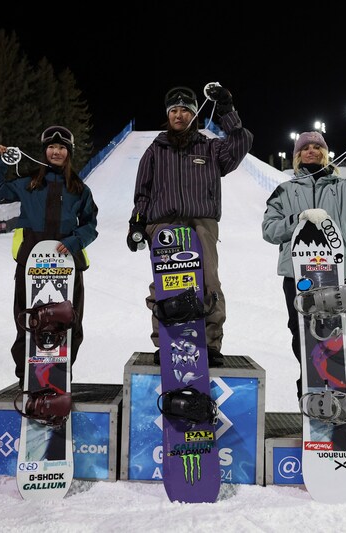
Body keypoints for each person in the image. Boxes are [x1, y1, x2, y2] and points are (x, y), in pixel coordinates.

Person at [127, 84, 253, 367]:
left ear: (195, 115)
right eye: (174, 110)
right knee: (166, 285)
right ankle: (166, 341)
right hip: (164, 225)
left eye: (186, 110)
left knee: (208, 283)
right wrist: (137, 224)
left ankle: (210, 344)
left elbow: (241, 142)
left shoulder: (210, 148)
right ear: (168, 115)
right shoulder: (155, 150)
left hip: (202, 223)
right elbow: (143, 192)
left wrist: (227, 109)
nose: (179, 115)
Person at [261, 131, 346, 399]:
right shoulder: (285, 191)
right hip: (298, 277)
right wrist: (299, 218)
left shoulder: (342, 188)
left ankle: (341, 388)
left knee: (343, 333)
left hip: (338, 274)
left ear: (325, 153)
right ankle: (311, 388)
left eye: (318, 146)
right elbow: (270, 230)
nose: (312, 151)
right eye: (305, 147)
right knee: (304, 334)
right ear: (297, 156)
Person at [0, 125, 99, 389]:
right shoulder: (29, 183)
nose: (56, 152)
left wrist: (74, 241)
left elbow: (91, 224)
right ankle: (27, 376)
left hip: (67, 265)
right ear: (44, 151)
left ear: (69, 153)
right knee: (28, 318)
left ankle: (61, 374)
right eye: (51, 147)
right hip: (32, 263)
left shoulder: (80, 188)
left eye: (61, 148)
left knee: (70, 321)